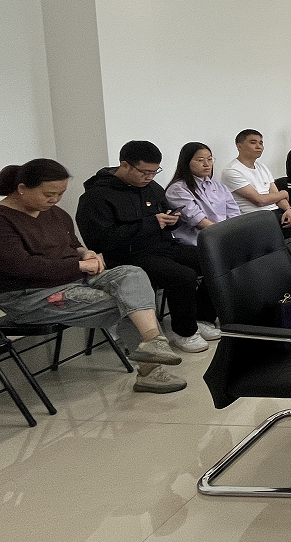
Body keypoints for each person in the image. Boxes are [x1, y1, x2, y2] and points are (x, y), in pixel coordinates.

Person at [0, 159, 187, 393]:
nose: (55, 200)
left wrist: (86, 253)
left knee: (132, 274)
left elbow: (73, 244)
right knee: (129, 302)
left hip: (73, 278)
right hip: (31, 295)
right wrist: (80, 265)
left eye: (60, 194)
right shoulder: (4, 220)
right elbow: (23, 266)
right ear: (22, 188)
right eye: (49, 194)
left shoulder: (54, 213)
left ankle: (153, 343)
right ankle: (150, 371)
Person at [76, 141, 217, 353]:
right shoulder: (96, 196)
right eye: (145, 172)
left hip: (163, 246)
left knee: (214, 262)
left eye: (154, 172)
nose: (150, 177)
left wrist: (173, 220)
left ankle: (201, 319)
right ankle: (185, 333)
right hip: (128, 255)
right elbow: (100, 241)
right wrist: (151, 223)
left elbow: (167, 214)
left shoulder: (152, 187)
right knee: (183, 276)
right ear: (125, 165)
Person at [219, 129, 291, 257]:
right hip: (259, 219)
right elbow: (259, 200)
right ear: (239, 146)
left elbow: (276, 196)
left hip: (278, 211)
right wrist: (283, 193)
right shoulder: (232, 171)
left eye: (261, 143)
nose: (259, 146)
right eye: (253, 142)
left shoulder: (262, 167)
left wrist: (288, 209)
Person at [165, 142, 241, 248]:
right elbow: (198, 221)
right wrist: (225, 237)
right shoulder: (178, 189)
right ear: (186, 162)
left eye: (209, 159)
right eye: (200, 160)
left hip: (224, 238)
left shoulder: (219, 186)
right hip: (198, 244)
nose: (206, 164)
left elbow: (234, 214)